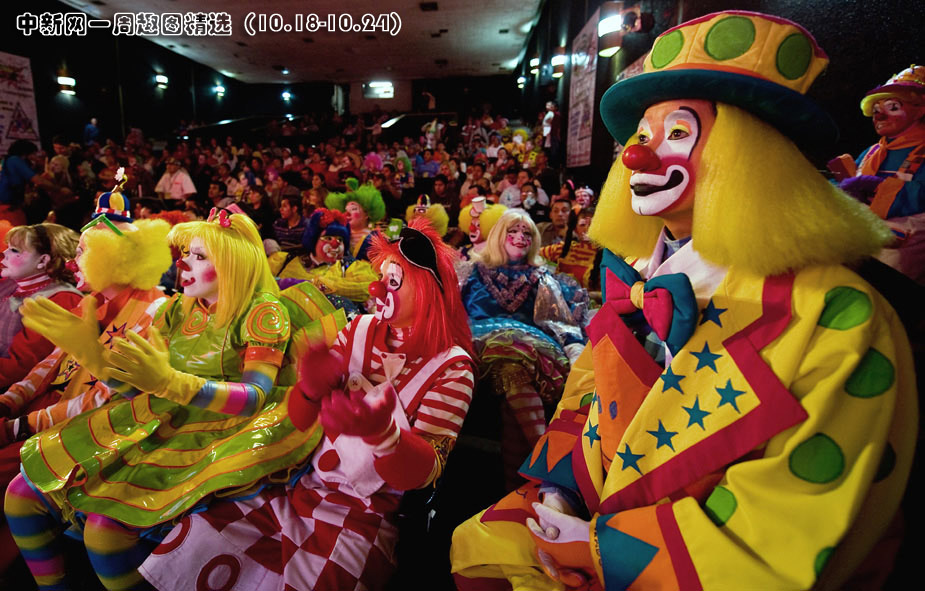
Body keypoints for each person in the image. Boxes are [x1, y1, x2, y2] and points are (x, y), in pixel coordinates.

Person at [451, 12, 915, 591]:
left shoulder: (837, 313)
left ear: (746, 154)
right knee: (475, 548)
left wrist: (606, 550)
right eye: (642, 137)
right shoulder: (636, 280)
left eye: (677, 134)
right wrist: (560, 490)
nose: (637, 157)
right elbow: (587, 395)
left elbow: (795, 517)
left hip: (699, 562)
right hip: (596, 503)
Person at [139, 218, 475, 591]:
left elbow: (424, 474)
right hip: (299, 487)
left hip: (367, 515)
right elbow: (299, 420)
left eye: (393, 282)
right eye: (381, 276)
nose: (376, 287)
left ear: (428, 291)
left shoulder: (452, 368)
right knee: (199, 536)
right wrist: (310, 389)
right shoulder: (357, 329)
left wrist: (384, 436)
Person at [6, 210, 322, 591]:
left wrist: (173, 383)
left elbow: (254, 397)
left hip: (221, 432)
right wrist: (97, 361)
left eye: (199, 256)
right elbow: (141, 392)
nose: (182, 263)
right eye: (185, 254)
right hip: (159, 420)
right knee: (19, 496)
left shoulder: (264, 312)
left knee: (105, 532)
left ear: (234, 265)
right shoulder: (177, 310)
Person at [459, 209, 589, 486]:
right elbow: (449, 313)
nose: (520, 237)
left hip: (529, 356)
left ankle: (521, 485)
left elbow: (561, 323)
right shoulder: (472, 272)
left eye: (527, 233)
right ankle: (549, 463)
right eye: (513, 231)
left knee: (512, 374)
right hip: (477, 351)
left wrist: (576, 354)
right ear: (498, 235)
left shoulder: (541, 277)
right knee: (509, 360)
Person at [835, 65, 925, 283]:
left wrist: (878, 187)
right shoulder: (872, 151)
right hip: (864, 232)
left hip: (902, 250)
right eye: (876, 110)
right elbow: (849, 184)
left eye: (893, 107)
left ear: (920, 110)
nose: (880, 115)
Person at [0, 224, 81, 390]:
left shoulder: (62, 299)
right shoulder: (10, 283)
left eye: (14, 250)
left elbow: (21, 365)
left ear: (43, 260)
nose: (4, 253)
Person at [268, 208, 379, 307]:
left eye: (340, 240)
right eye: (328, 238)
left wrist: (317, 284)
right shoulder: (284, 260)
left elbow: (366, 288)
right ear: (314, 239)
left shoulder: (349, 266)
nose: (335, 244)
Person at [325, 178, 387, 260]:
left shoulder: (375, 238)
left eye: (353, 209)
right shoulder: (340, 235)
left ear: (366, 214)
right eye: (346, 210)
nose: (347, 213)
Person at [540, 206, 600, 290]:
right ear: (575, 229)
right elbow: (534, 254)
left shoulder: (607, 256)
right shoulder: (561, 249)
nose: (587, 228)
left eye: (592, 224)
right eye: (582, 225)